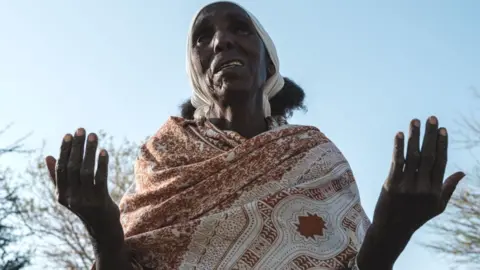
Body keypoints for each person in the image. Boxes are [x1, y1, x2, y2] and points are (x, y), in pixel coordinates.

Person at [45, 1, 465, 269]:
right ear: (196, 74)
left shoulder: (315, 157)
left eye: (239, 29)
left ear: (268, 64)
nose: (222, 40)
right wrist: (101, 227)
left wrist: (392, 231)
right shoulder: (162, 159)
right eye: (202, 37)